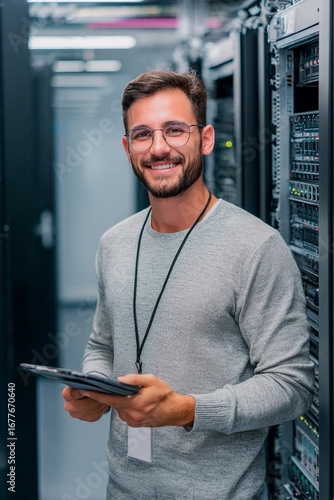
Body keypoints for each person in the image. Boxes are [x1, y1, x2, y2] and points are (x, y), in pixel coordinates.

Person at [62, 69, 314, 500]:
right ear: (127, 149)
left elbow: (291, 385)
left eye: (175, 130)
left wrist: (188, 410)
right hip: (123, 489)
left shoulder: (255, 247)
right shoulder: (115, 243)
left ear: (206, 139)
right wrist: (95, 387)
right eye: (142, 135)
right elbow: (103, 346)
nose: (159, 148)